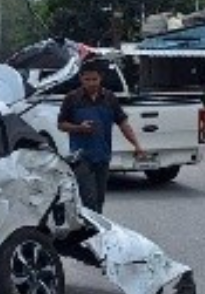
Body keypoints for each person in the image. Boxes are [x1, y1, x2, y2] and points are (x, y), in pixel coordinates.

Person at [57, 59, 146, 214]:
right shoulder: (72, 98)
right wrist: (79, 128)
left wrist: (137, 145)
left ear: (101, 78)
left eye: (94, 79)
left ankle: (93, 227)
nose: (91, 83)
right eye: (87, 79)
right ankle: (89, 227)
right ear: (81, 79)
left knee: (99, 199)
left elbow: (123, 124)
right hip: (81, 157)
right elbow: (61, 124)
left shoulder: (110, 98)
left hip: (103, 156)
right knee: (88, 199)